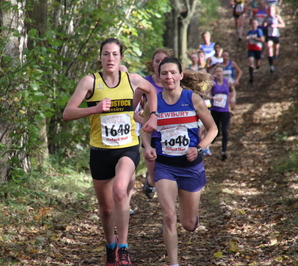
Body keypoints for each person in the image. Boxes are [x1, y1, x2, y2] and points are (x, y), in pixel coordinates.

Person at [62, 38, 158, 266]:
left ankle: (123, 248)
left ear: (121, 58)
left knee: (120, 191)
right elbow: (67, 113)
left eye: (115, 54)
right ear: (101, 57)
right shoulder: (90, 82)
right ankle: (110, 246)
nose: (110, 59)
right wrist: (94, 108)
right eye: (106, 54)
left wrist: (152, 114)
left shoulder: (132, 80)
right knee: (105, 209)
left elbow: (152, 91)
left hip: (127, 148)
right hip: (100, 152)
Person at [141, 57, 218, 266]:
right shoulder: (153, 102)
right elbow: (145, 129)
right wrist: (147, 147)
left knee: (188, 224)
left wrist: (199, 148)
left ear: (180, 75)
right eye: (164, 73)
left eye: (173, 73)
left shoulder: (193, 99)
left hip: (190, 167)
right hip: (165, 166)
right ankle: (173, 263)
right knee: (168, 215)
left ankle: (191, 220)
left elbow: (213, 129)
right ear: (158, 77)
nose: (169, 77)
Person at [139, 48, 173, 199]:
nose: (160, 64)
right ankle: (149, 181)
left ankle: (168, 212)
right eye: (157, 61)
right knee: (154, 179)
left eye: (163, 61)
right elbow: (130, 111)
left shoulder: (174, 81)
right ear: (152, 64)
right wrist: (146, 121)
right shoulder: (145, 82)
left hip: (170, 134)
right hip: (150, 135)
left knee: (168, 179)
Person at [205, 65, 236, 161]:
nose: (219, 73)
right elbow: (205, 94)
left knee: (225, 130)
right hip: (215, 110)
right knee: (216, 130)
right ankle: (210, 142)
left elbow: (233, 90)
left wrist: (233, 98)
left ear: (223, 73)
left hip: (225, 110)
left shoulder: (227, 82)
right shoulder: (213, 83)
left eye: (220, 71)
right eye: (217, 71)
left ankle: (224, 151)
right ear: (215, 73)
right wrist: (213, 98)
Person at [263, 4, 285, 72]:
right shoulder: (266, 17)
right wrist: (265, 24)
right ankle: (271, 66)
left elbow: (283, 25)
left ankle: (275, 57)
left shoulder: (277, 17)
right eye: (269, 10)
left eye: (272, 10)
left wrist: (276, 25)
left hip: (276, 35)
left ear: (275, 11)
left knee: (276, 50)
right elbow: (263, 25)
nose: (270, 11)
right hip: (269, 36)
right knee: (269, 48)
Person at [246, 18, 265, 83]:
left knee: (257, 62)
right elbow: (246, 39)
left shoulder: (259, 31)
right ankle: (251, 77)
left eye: (255, 23)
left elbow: (262, 40)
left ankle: (258, 65)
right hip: (250, 49)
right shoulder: (249, 32)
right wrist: (247, 38)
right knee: (251, 62)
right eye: (252, 23)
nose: (253, 25)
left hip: (257, 48)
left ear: (257, 24)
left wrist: (255, 38)